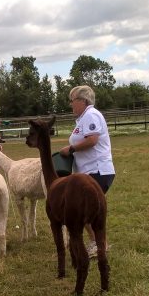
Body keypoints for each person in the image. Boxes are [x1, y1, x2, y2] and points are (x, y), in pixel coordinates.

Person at [59, 85, 115, 257]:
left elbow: (92, 140)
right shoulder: (83, 118)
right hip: (88, 172)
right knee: (85, 211)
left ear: (83, 101)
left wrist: (72, 149)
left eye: (72, 100)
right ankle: (98, 244)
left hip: (97, 170)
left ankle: (98, 244)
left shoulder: (91, 115)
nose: (71, 104)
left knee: (85, 211)